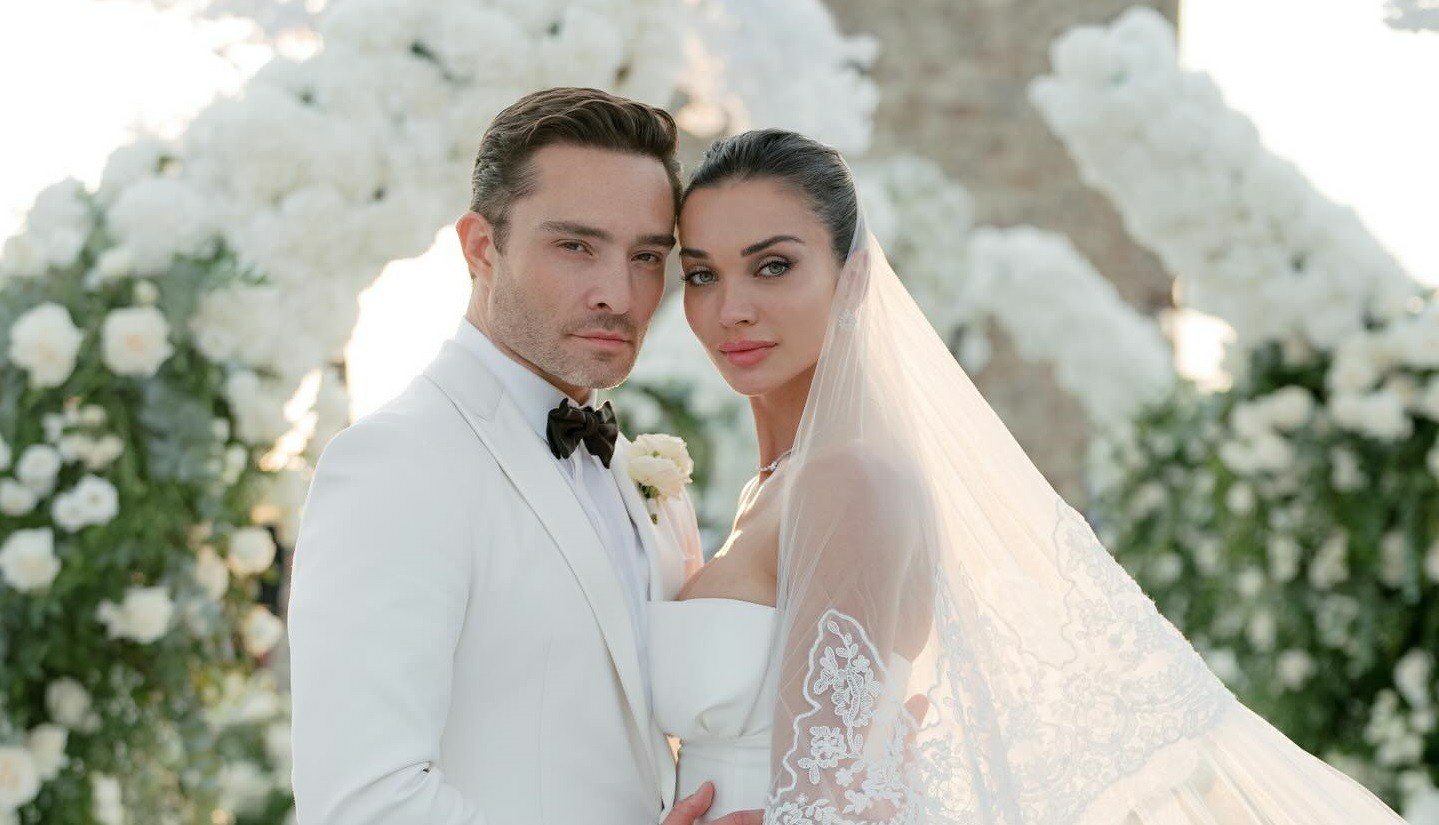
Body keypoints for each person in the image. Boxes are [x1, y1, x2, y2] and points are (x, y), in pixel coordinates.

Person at [653, 127, 1408, 824]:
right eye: (702, 274)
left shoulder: (847, 476)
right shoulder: (781, 482)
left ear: (853, 278)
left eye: (773, 266)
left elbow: (825, 800)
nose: (730, 309)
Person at [288, 87, 756, 825]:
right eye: (576, 246)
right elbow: (363, 801)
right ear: (481, 246)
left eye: (645, 257)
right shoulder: (395, 464)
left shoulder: (635, 473)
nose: (618, 295)